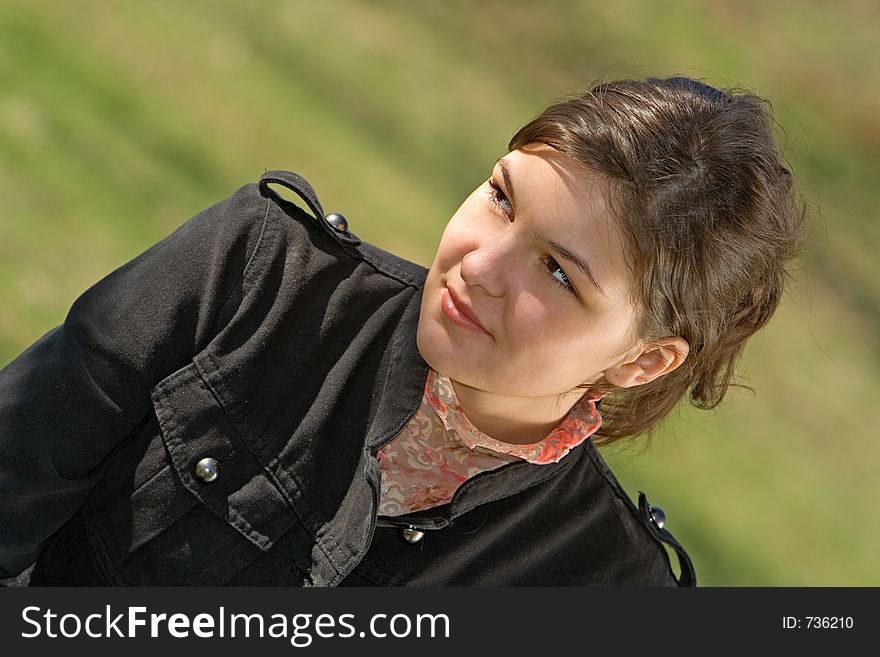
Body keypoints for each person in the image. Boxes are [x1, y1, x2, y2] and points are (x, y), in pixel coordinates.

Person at [0, 75, 804, 586]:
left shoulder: (605, 586)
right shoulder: (253, 272)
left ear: (644, 358)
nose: (481, 265)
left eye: (559, 273)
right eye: (501, 196)